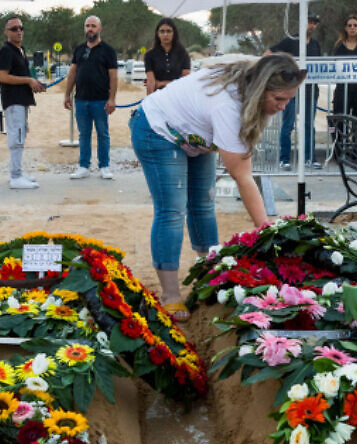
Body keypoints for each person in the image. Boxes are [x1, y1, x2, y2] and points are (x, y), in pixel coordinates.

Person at [130, 54, 304, 321]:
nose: (283, 106)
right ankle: (171, 295)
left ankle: (210, 277)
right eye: (279, 99)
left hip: (196, 134)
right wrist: (268, 233)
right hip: (158, 127)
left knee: (203, 204)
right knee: (172, 210)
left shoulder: (255, 71)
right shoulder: (228, 106)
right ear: (259, 90)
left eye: (289, 99)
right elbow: (242, 177)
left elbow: (271, 57)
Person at [64, 16, 118, 180]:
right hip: (81, 100)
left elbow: (114, 77)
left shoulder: (108, 51)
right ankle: (83, 166)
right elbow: (72, 73)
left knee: (103, 134)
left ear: (100, 29)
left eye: (93, 26)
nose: (90, 29)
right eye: (87, 26)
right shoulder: (79, 50)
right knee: (84, 134)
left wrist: (112, 99)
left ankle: (104, 166)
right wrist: (67, 94)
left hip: (101, 101)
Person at [266, 12, 322, 170]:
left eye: (314, 22)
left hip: (311, 91)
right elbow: (269, 54)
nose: (312, 25)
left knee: (309, 125)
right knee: (288, 125)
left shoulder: (315, 44)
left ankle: (309, 158)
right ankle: (285, 158)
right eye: (309, 21)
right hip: (290, 91)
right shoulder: (291, 41)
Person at [0, 17, 45, 190]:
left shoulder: (21, 50)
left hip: (22, 99)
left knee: (21, 134)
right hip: (13, 100)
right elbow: (3, 76)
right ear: (7, 32)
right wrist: (27, 80)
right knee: (16, 136)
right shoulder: (6, 51)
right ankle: (15, 176)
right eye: (14, 28)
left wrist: (33, 83)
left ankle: (17, 171)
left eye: (21, 28)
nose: (18, 31)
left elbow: (23, 75)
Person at [331, 15, 357, 122]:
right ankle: (340, 140)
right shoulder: (338, 46)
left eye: (355, 25)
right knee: (339, 121)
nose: (352, 28)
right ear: (345, 28)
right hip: (342, 89)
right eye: (349, 25)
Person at [144, 17, 191, 95]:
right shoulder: (149, 55)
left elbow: (185, 82)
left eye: (168, 31)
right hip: (158, 97)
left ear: (174, 33)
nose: (165, 34)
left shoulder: (183, 54)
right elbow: (151, 82)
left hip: (177, 96)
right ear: (157, 34)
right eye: (162, 31)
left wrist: (161, 83)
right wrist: (148, 101)